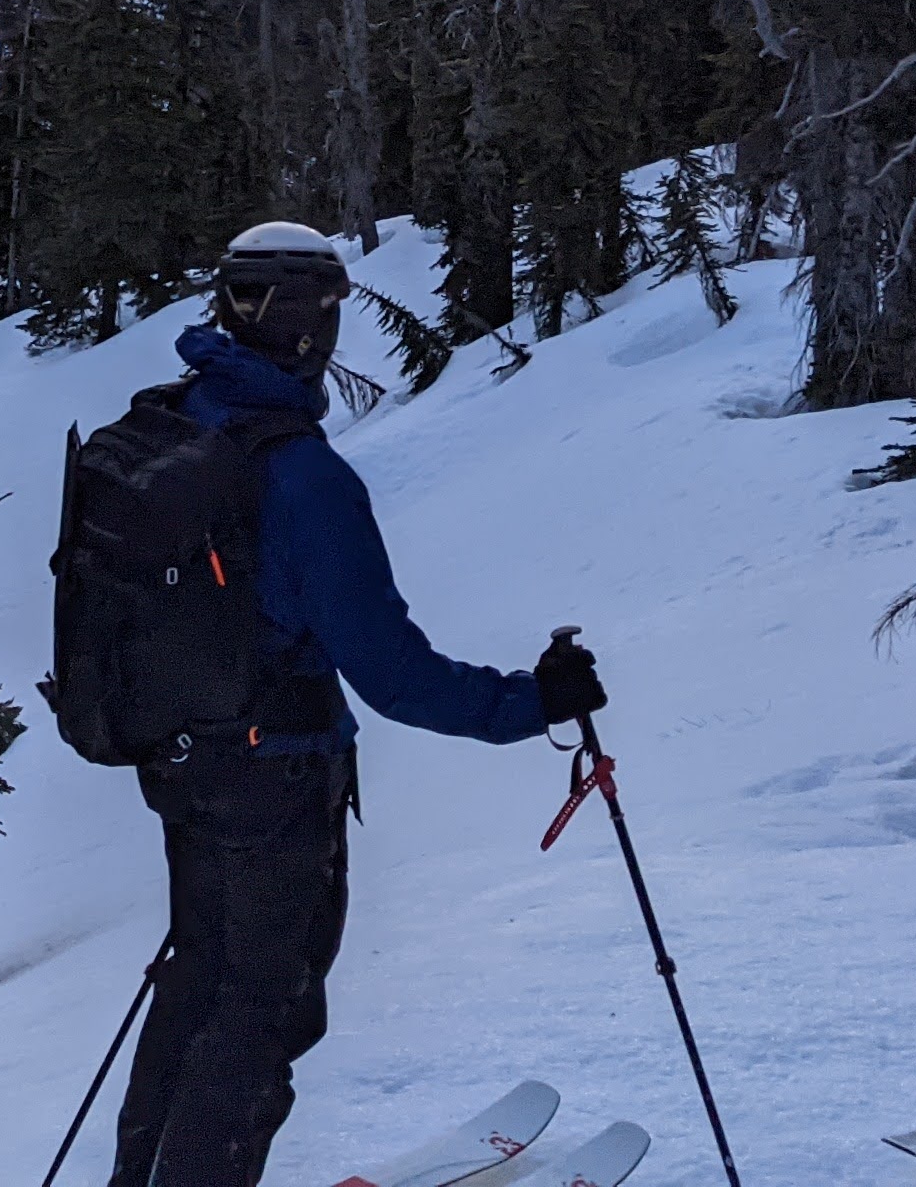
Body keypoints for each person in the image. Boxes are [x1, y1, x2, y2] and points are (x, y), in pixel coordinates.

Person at [106, 220, 605, 1187]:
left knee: (199, 984)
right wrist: (531, 703)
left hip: (181, 767)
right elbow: (393, 672)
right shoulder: (299, 476)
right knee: (263, 1008)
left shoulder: (174, 421)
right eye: (327, 309)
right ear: (305, 328)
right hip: (276, 779)